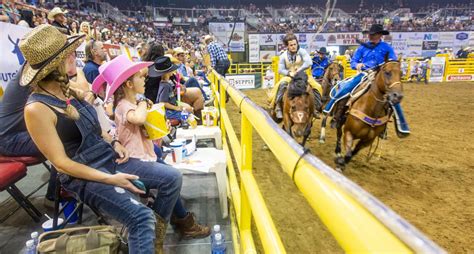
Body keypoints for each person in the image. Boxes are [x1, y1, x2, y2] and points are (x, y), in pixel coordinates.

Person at [22, 24, 181, 254]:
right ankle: (147, 238)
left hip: (107, 159)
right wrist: (111, 180)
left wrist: (114, 142)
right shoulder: (36, 109)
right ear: (54, 64)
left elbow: (96, 130)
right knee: (141, 217)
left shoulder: (68, 91)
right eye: (67, 53)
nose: (73, 56)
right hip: (83, 174)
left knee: (172, 178)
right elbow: (62, 164)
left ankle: (152, 239)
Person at [96, 55, 210, 239]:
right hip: (132, 160)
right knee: (172, 178)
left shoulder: (128, 104)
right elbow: (138, 118)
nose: (145, 79)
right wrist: (143, 102)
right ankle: (154, 231)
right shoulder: (124, 105)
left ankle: (180, 223)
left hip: (138, 156)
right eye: (140, 77)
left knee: (171, 178)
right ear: (129, 85)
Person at [323, 24, 410, 136]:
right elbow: (353, 61)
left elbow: (392, 62)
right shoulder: (362, 47)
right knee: (347, 87)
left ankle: (400, 127)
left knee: (393, 97)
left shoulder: (387, 47)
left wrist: (387, 66)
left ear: (379, 35)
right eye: (370, 34)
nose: (371, 36)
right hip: (365, 74)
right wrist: (357, 65)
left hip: (381, 75)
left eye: (373, 34)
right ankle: (336, 113)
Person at [271, 33, 323, 120]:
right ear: (287, 46)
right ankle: (278, 107)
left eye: (295, 44)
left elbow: (309, 62)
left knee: (317, 86)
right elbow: (280, 69)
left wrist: (299, 70)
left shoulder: (302, 52)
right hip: (289, 76)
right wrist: (289, 73)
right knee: (282, 85)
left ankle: (315, 108)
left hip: (303, 75)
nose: (293, 46)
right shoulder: (283, 56)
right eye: (291, 45)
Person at [150, 56, 197, 121]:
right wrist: (176, 108)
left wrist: (174, 92)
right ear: (168, 72)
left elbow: (168, 96)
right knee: (188, 117)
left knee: (189, 113)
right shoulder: (165, 85)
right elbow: (163, 102)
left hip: (171, 108)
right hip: (168, 112)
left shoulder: (166, 83)